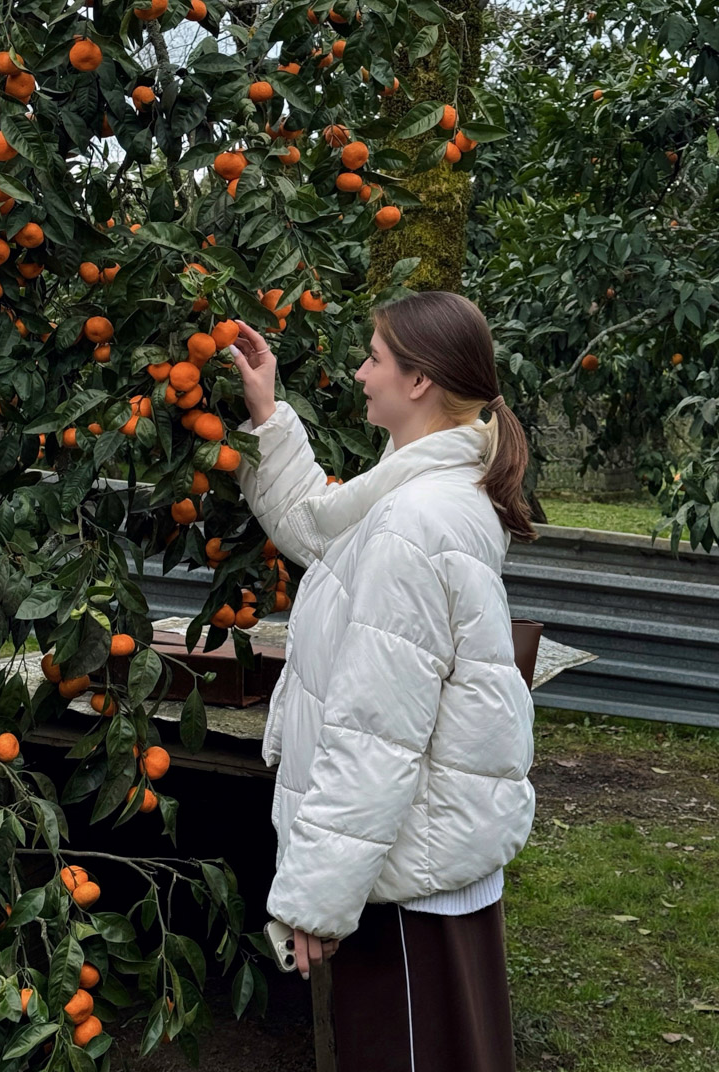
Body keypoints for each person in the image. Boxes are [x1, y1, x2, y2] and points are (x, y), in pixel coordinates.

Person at [228, 289, 537, 1072]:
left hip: (402, 889)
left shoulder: (412, 522)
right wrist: (270, 417)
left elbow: (377, 734)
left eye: (374, 356)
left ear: (420, 380)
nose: (361, 373)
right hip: (422, 867)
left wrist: (318, 899)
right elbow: (319, 528)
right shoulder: (421, 492)